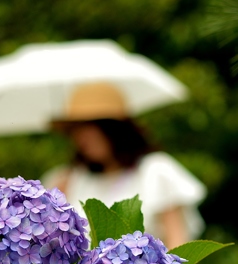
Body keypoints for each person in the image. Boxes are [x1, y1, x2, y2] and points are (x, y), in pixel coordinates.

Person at [41, 83, 205, 249]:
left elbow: (179, 248)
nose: (81, 138)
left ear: (113, 128)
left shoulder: (155, 171)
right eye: (74, 130)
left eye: (89, 127)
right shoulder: (69, 179)